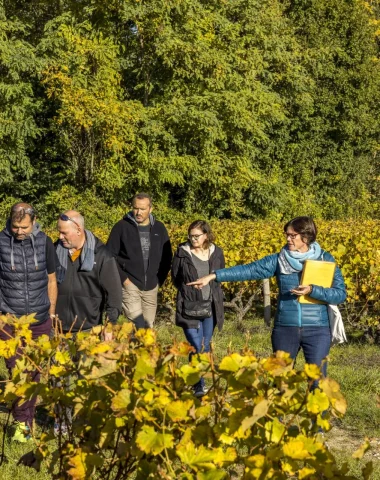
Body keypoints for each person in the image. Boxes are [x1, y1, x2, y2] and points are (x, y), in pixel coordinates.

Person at [188, 216, 346, 382]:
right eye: (287, 234)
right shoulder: (279, 259)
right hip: (285, 328)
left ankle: (317, 409)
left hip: (318, 330)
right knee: (280, 381)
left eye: (293, 235)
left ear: (305, 237)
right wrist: (214, 276)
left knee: (317, 381)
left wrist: (313, 290)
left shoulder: (325, 259)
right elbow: (249, 270)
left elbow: (340, 293)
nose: (288, 239)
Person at [0, 202, 58, 442]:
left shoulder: (45, 243)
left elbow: (52, 280)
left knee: (33, 373)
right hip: (9, 319)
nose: (20, 232)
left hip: (40, 318)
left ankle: (23, 421)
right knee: (17, 370)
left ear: (34, 223)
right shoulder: (1, 243)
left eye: (24, 227)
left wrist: (52, 313)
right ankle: (22, 422)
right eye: (15, 227)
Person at [172, 220, 225, 397]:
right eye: (191, 236)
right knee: (196, 345)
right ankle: (198, 385)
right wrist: (188, 291)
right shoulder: (182, 253)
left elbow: (220, 275)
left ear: (206, 235)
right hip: (189, 305)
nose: (193, 239)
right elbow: (175, 277)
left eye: (197, 236)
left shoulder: (216, 253)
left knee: (205, 345)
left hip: (210, 306)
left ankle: (196, 383)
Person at [107, 193, 172, 329]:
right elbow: (109, 256)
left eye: (142, 209)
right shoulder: (121, 227)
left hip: (151, 287)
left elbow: (167, 257)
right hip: (130, 284)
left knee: (148, 329)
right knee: (138, 325)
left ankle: (137, 350)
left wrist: (158, 281)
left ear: (150, 209)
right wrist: (124, 280)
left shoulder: (159, 228)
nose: (138, 212)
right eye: (136, 208)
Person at [55, 210, 122, 335]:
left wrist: (110, 323)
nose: (60, 237)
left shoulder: (102, 255)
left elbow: (114, 294)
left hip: (88, 330)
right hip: (56, 330)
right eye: (59, 232)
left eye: (64, 233)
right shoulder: (54, 251)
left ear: (79, 230)